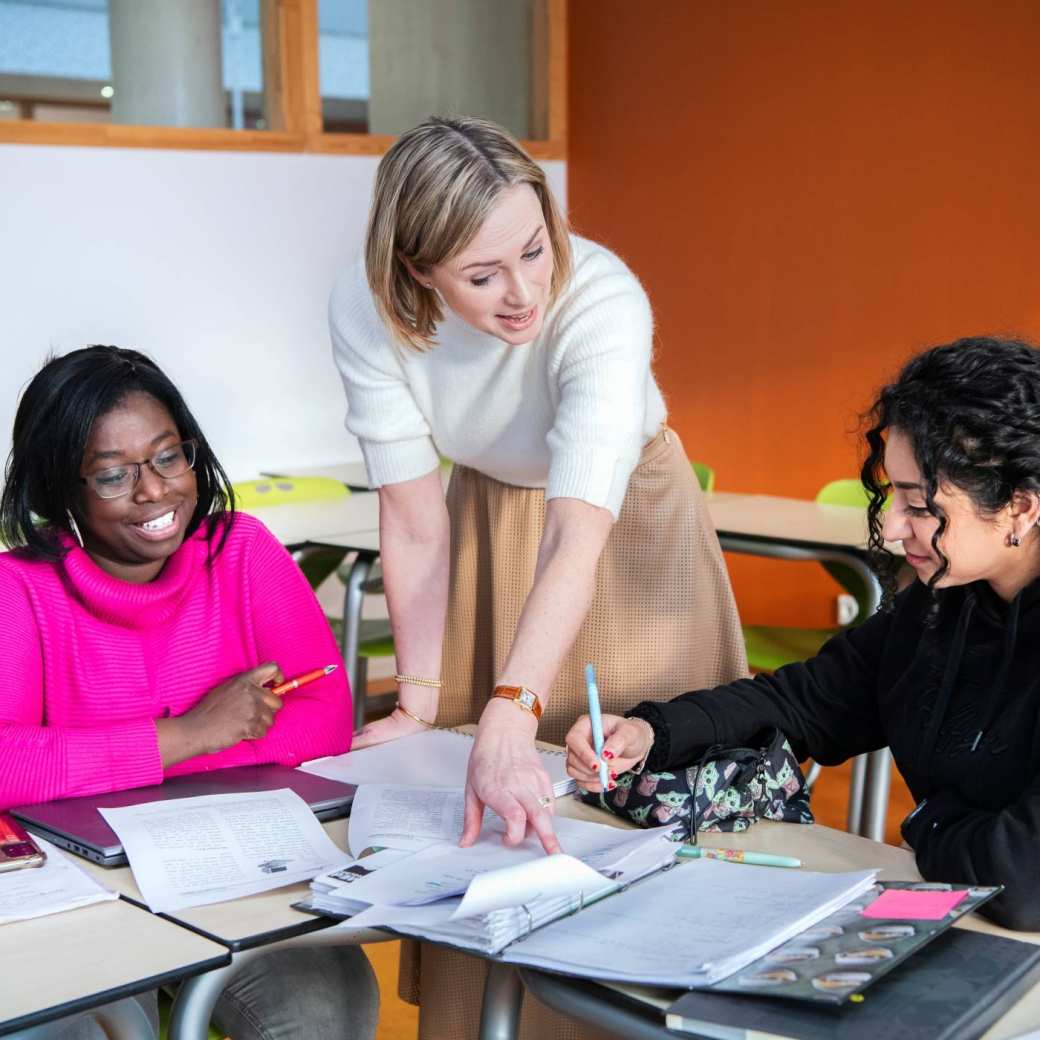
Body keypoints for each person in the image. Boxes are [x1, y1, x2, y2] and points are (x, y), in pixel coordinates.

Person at [330, 116, 747, 1038]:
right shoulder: (367, 308)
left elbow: (576, 536)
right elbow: (413, 519)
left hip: (622, 520)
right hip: (486, 506)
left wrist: (511, 707)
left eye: (534, 249)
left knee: (627, 783)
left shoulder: (599, 296)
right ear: (415, 271)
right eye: (482, 276)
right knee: (481, 791)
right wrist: (421, 699)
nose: (524, 293)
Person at [567, 335, 1040, 933]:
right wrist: (650, 731)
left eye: (919, 505)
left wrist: (925, 823)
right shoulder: (944, 606)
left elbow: (1023, 881)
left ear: (1020, 509)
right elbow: (806, 699)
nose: (893, 527)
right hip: (965, 922)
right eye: (892, 495)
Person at [0, 346, 379, 1040]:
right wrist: (197, 734)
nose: (154, 493)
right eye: (113, 474)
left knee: (331, 1012)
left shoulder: (242, 551)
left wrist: (96, 769)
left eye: (169, 457)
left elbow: (324, 717)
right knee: (94, 1030)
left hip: (234, 872)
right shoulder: (19, 589)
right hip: (84, 894)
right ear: (61, 491)